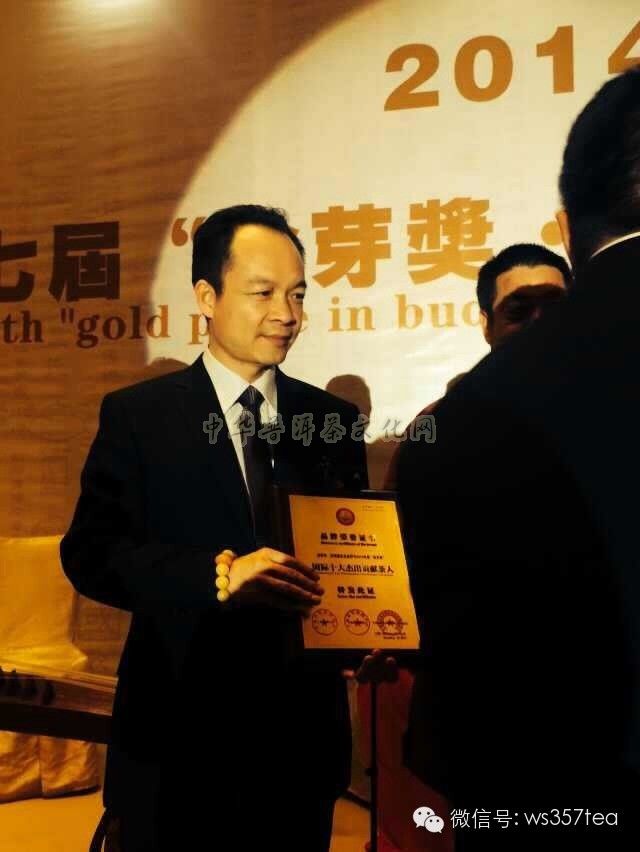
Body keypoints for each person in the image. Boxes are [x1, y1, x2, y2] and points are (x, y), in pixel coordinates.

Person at [61, 205, 368, 852]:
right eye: (263, 293)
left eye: (297, 294)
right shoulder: (140, 416)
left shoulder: (333, 421)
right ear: (207, 296)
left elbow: (346, 554)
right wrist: (217, 575)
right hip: (176, 739)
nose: (286, 313)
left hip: (299, 747)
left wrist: (368, 624)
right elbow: (91, 553)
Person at [397, 68, 640, 851]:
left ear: (571, 233)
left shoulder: (465, 425)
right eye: (516, 309)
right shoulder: (442, 428)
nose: (536, 324)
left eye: (551, 305)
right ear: (484, 322)